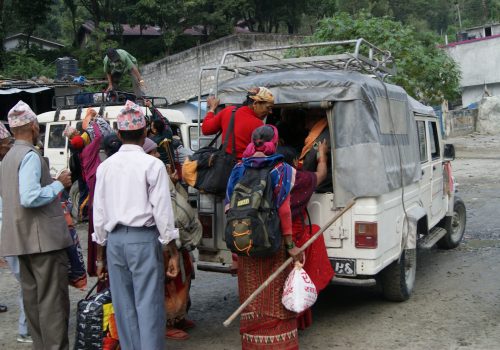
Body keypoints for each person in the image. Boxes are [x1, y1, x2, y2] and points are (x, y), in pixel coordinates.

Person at [93, 100, 180, 350]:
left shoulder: (106, 167)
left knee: (124, 307)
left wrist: (100, 257)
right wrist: (172, 251)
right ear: (145, 134)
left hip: (115, 242)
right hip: (143, 239)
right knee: (149, 305)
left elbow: (99, 214)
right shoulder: (152, 165)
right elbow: (163, 212)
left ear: (119, 135)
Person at [0, 101, 73, 350]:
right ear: (33, 126)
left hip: (21, 241)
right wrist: (58, 184)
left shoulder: (8, 157)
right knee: (52, 306)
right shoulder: (29, 155)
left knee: (34, 305)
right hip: (44, 243)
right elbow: (29, 197)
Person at [225, 125, 303, 350]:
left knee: (251, 301)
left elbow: (231, 211)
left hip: (245, 245)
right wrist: (291, 245)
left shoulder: (238, 168)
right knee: (276, 299)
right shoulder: (283, 170)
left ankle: (253, 345)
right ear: (275, 143)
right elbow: (284, 210)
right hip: (273, 245)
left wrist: (235, 253)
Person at [143, 138, 200, 341]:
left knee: (184, 274)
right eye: (154, 152)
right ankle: (166, 322)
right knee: (169, 280)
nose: (158, 156)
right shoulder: (147, 171)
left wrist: (174, 182)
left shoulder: (157, 169)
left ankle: (179, 317)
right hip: (162, 237)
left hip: (175, 234)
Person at [278, 145, 335, 330]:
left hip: (271, 235)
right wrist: (322, 156)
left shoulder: (272, 176)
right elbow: (322, 174)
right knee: (315, 232)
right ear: (294, 162)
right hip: (294, 236)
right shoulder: (300, 179)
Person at [0, 123, 32, 343]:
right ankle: (26, 329)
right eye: (5, 143)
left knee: (27, 280)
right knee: (28, 280)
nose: (8, 145)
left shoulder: (5, 164)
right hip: (9, 231)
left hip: (8, 230)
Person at [202, 87, 274, 159]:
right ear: (255, 103)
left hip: (224, 165)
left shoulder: (228, 111)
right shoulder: (259, 125)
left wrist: (212, 109)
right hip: (244, 168)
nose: (270, 112)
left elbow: (206, 129)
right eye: (268, 108)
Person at [298, 110, 333, 193]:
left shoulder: (320, 140)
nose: (306, 126)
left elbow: (309, 164)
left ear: (315, 119)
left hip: (321, 189)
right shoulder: (329, 131)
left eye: (307, 121)